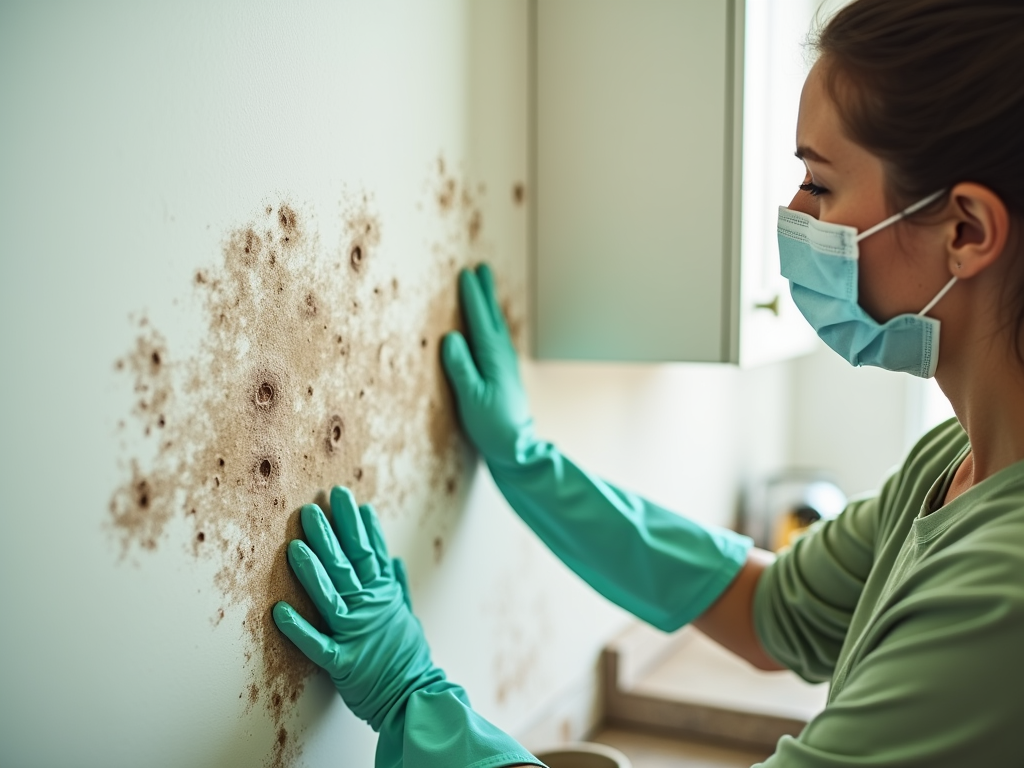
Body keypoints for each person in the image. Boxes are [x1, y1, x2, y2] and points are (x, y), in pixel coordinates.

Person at [272, 0, 1024, 765]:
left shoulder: (1001, 601)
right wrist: (529, 464)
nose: (796, 214)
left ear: (965, 230)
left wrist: (414, 702)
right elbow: (773, 609)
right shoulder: (954, 463)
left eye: (820, 185)